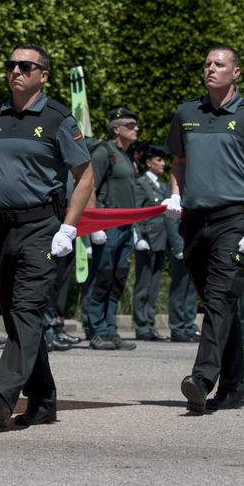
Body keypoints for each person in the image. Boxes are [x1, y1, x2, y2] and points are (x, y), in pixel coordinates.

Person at [0, 43, 93, 428]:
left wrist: (69, 227)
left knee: (26, 309)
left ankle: (2, 393)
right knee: (16, 314)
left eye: (25, 66)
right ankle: (43, 401)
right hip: (1, 226)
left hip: (42, 227)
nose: (16, 71)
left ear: (43, 75)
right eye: (11, 65)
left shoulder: (57, 119)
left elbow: (84, 176)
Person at [165, 45, 244, 415]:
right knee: (221, 305)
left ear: (236, 73)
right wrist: (175, 194)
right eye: (207, 64)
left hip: (234, 220)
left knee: (219, 299)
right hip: (195, 222)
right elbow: (178, 160)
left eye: (219, 64)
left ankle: (201, 379)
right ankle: (233, 390)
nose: (211, 69)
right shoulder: (187, 112)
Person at [83, 107, 141, 350]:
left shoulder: (126, 156)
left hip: (126, 227)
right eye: (130, 124)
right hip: (107, 225)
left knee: (117, 277)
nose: (136, 128)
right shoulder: (104, 152)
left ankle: (109, 328)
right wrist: (94, 225)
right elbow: (89, 187)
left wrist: (135, 228)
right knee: (102, 276)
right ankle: (95, 328)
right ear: (116, 128)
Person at [131, 143, 173, 341]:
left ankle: (149, 323)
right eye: (158, 160)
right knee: (143, 284)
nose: (163, 164)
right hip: (147, 239)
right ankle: (141, 325)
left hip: (160, 240)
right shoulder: (142, 184)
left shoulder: (163, 186)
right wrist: (138, 236)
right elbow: (137, 211)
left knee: (154, 285)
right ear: (148, 163)